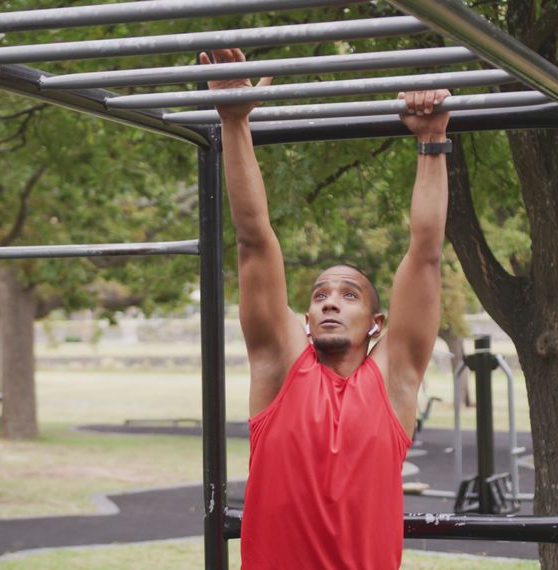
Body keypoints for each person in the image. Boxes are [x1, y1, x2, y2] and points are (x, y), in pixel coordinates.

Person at [201, 48, 450, 570]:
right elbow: (253, 240)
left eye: (349, 294)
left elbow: (425, 255)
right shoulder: (279, 368)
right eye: (319, 296)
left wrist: (431, 143)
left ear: (376, 324)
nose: (331, 301)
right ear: (305, 320)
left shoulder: (394, 380)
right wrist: (234, 124)